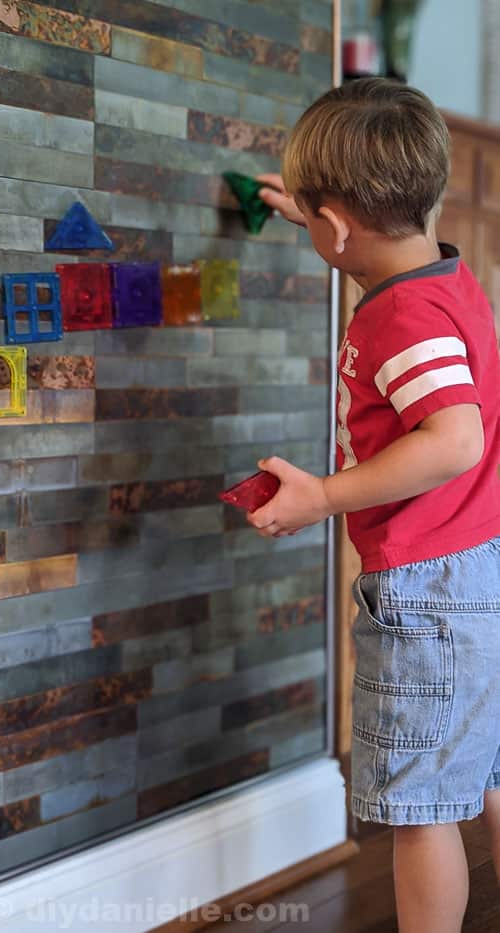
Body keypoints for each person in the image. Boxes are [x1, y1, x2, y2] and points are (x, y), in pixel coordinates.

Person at [250, 77, 500, 933]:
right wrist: (315, 216)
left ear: (341, 227)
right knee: (490, 765)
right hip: (480, 563)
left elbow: (454, 437)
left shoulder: (400, 321)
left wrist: (322, 495)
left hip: (430, 587)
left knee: (422, 804)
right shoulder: (444, 274)